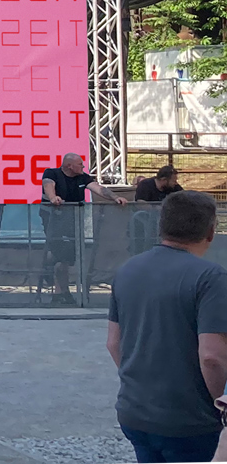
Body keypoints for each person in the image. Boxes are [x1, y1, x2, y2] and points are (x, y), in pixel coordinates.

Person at [106, 190, 227, 462]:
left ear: (161, 226)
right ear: (210, 232)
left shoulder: (127, 270)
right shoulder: (211, 278)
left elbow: (114, 343)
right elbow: (212, 357)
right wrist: (222, 405)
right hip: (191, 422)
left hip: (135, 414)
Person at [43, 152, 124, 303]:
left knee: (68, 257)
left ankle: (55, 277)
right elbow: (48, 185)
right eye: (80, 164)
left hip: (73, 221)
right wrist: (53, 198)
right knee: (61, 255)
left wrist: (115, 197)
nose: (83, 166)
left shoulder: (82, 177)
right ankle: (60, 291)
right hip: (54, 221)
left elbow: (99, 188)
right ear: (69, 166)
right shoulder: (52, 173)